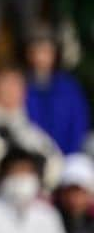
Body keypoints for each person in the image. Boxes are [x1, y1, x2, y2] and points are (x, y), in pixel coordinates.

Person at [0, 66, 63, 201]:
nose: (12, 90)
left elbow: (56, 166)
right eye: (7, 83)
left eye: (18, 85)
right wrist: (34, 167)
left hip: (33, 207)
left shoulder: (30, 130)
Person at [23, 26, 90, 155]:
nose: (42, 57)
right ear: (29, 54)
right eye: (37, 51)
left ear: (55, 54)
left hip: (69, 155)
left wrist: (70, 154)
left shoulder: (69, 87)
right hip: (33, 158)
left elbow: (79, 123)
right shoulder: (21, 85)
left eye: (47, 51)